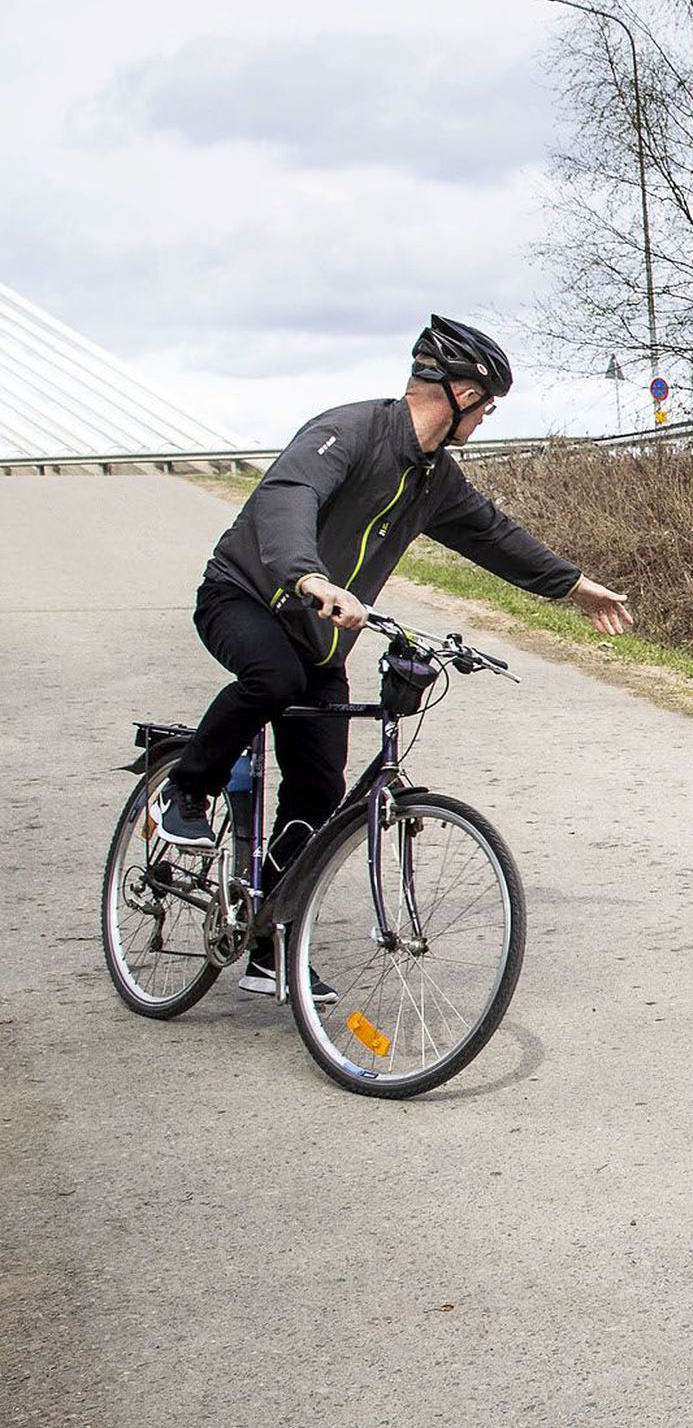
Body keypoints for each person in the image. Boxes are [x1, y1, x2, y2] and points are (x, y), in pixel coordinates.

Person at [152, 315, 635, 997]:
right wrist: (309, 577)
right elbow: (289, 498)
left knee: (318, 787)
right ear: (460, 391)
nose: (488, 415)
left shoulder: (435, 477)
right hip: (250, 598)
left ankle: (267, 939)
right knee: (272, 677)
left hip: (322, 638)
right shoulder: (351, 431)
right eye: (487, 401)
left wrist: (574, 587)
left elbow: (493, 536)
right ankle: (187, 790)